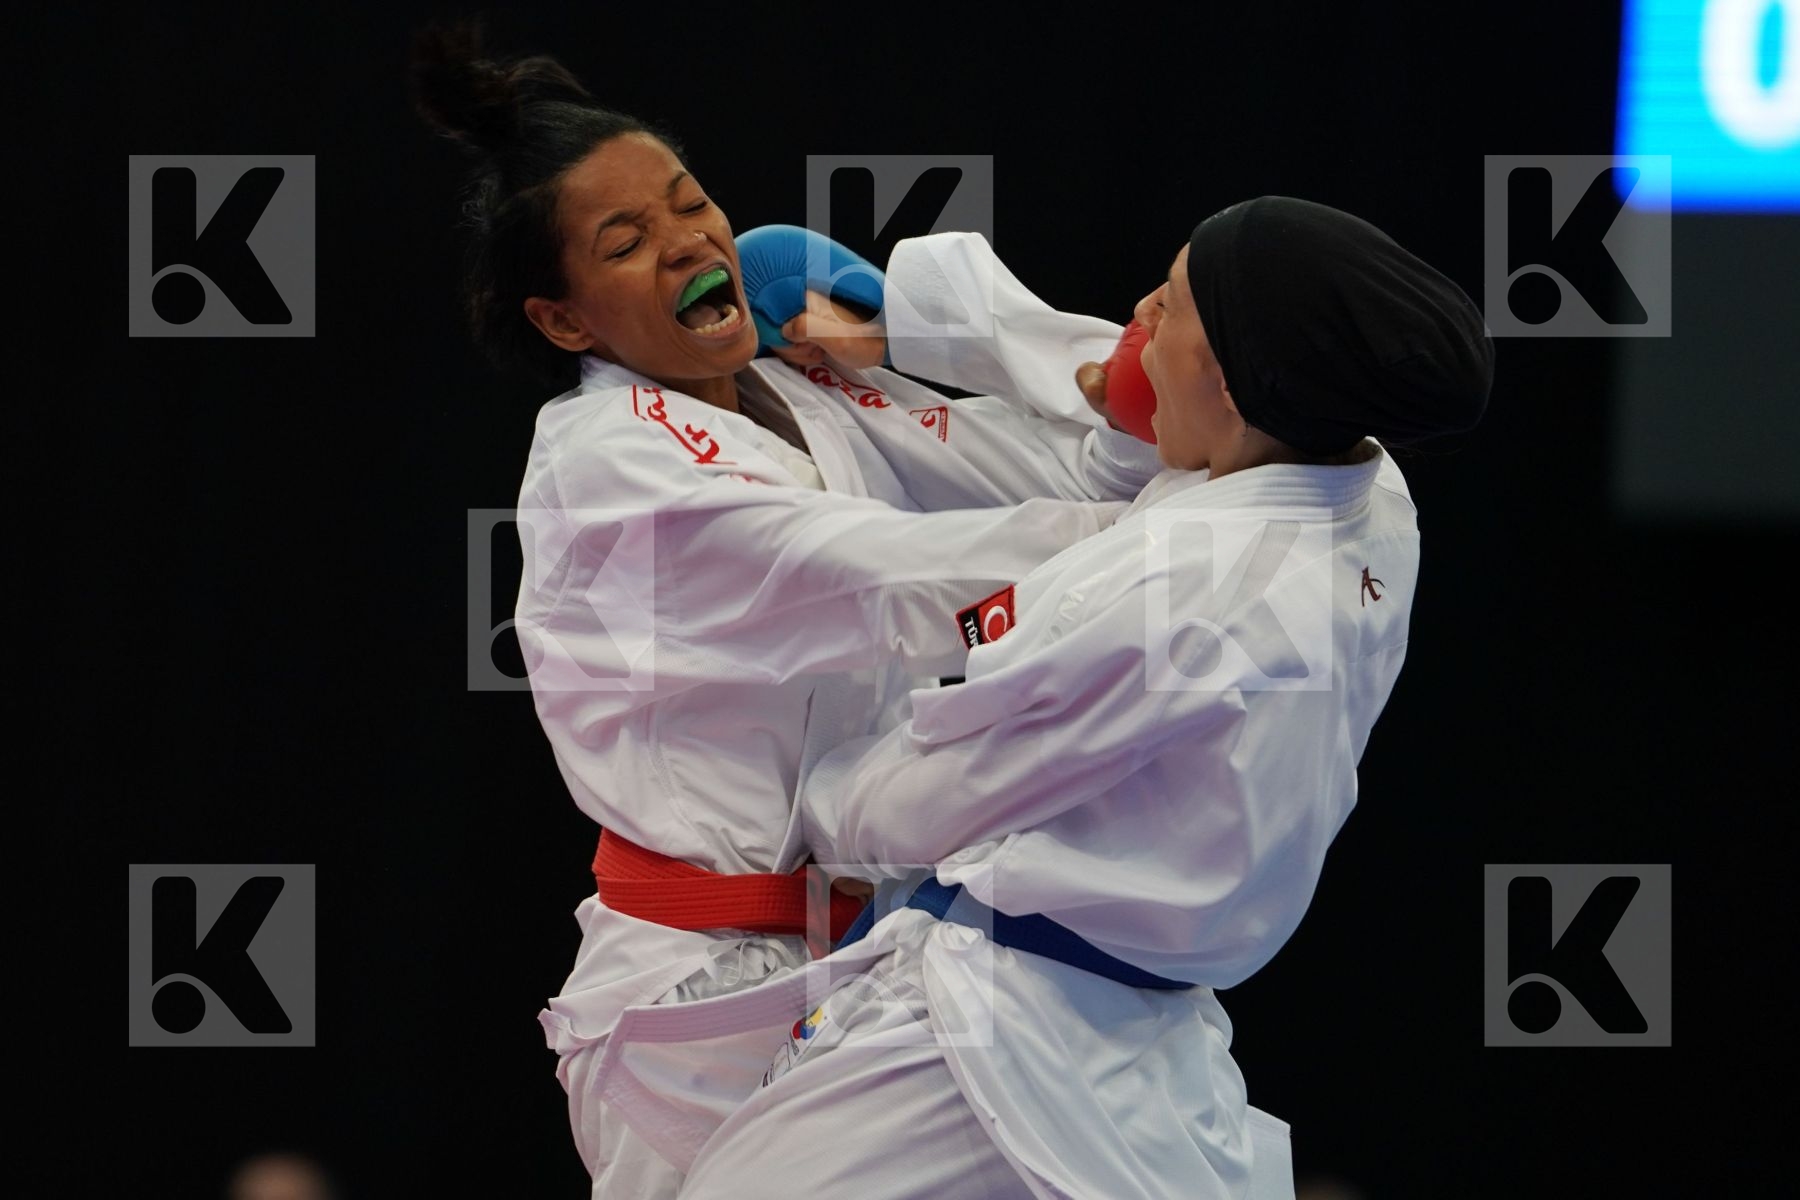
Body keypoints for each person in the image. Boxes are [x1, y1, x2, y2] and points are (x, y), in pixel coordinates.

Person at [595, 197, 1494, 1200]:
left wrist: (813, 812)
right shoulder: (1370, 491)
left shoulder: (1176, 595)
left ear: (1237, 380)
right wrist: (906, 318)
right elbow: (1139, 387)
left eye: (1175, 301)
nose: (1141, 310)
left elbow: (940, 791)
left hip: (994, 1040)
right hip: (1136, 1027)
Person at [408, 20, 1164, 1199]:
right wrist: (1188, 560)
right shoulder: (609, 463)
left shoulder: (802, 383)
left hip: (876, 957)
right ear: (563, 320)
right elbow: (895, 579)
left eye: (688, 202)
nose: (688, 241)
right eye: (625, 241)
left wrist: (924, 333)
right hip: (695, 992)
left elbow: (1077, 463)